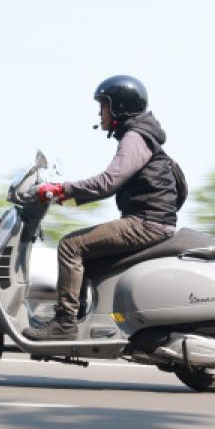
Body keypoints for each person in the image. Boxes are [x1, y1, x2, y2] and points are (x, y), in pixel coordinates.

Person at [22, 75, 180, 341]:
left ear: (119, 106)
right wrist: (67, 196)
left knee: (71, 245)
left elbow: (110, 181)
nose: (99, 112)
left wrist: (65, 189)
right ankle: (80, 316)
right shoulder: (141, 135)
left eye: (103, 105)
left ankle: (65, 323)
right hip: (150, 220)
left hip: (146, 222)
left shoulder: (136, 137)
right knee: (88, 255)